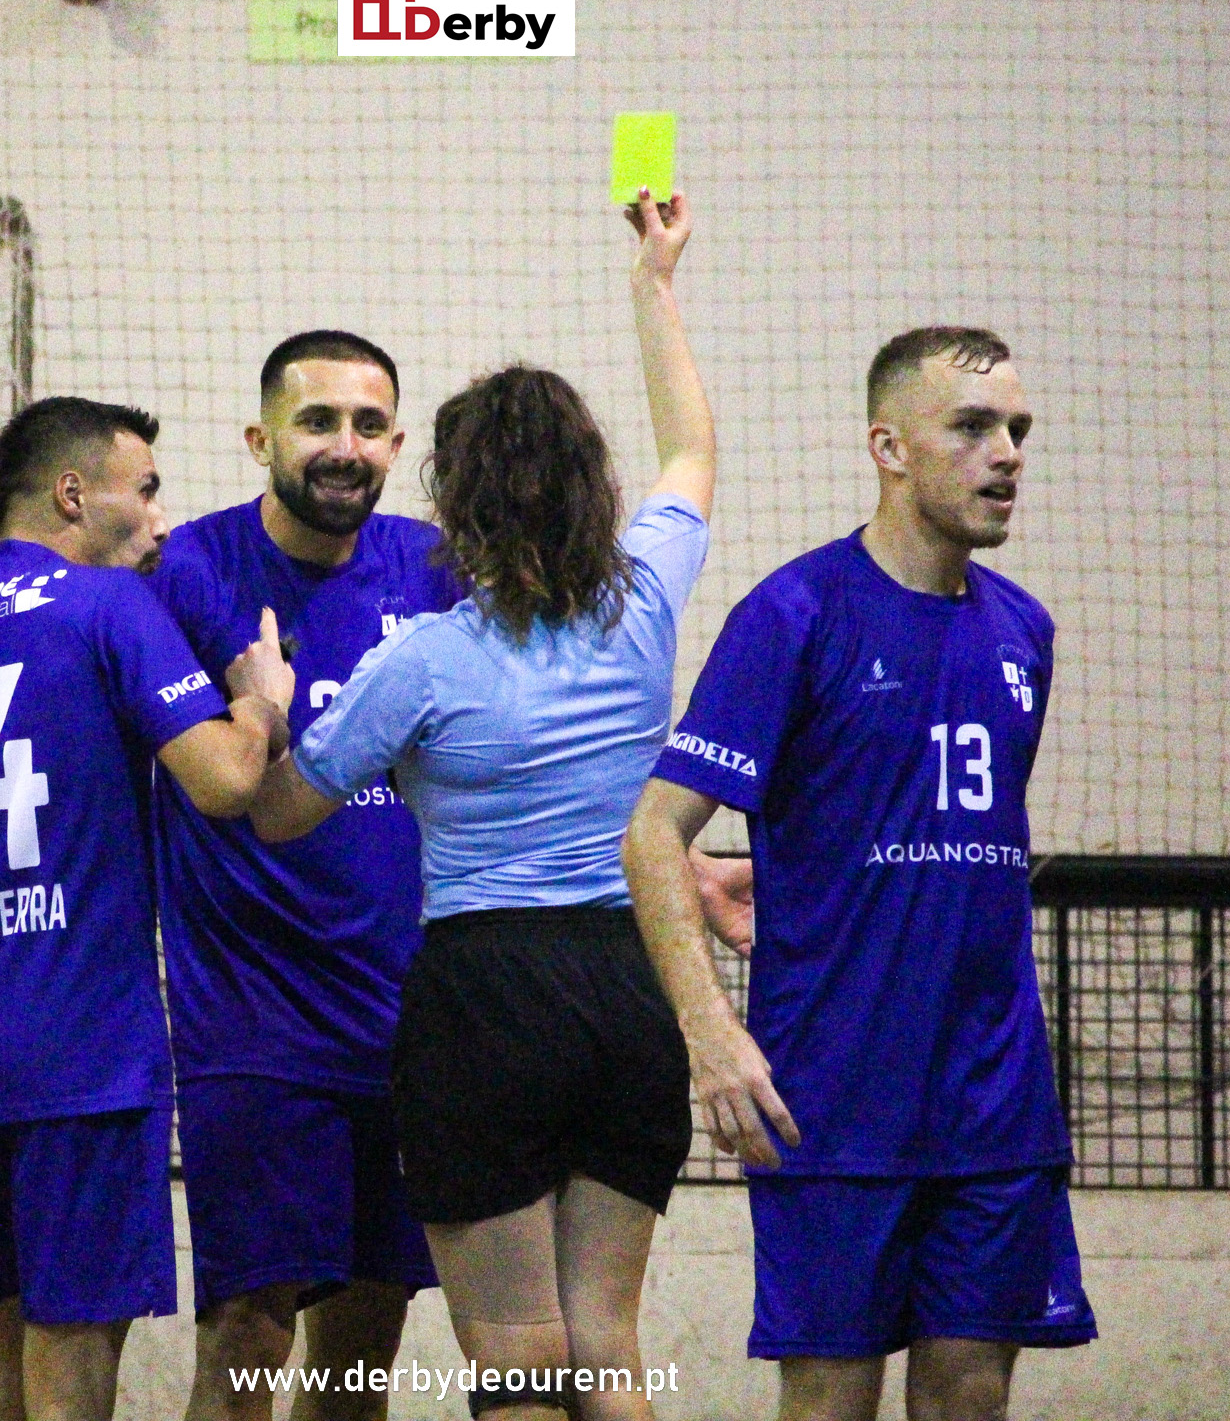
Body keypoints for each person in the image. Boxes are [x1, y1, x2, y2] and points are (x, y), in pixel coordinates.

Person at [247, 189, 712, 1421]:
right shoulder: (643, 604)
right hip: (632, 981)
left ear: (453, 503)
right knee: (606, 1348)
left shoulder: (420, 660)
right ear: (589, 486)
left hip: (482, 991)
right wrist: (651, 286)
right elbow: (693, 452)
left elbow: (281, 811)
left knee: (514, 1361)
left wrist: (279, 707)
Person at [621, 327, 1097, 1421]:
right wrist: (710, 1033)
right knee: (830, 1399)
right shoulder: (794, 615)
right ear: (887, 445)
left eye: (1015, 429)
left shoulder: (1024, 631)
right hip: (832, 1102)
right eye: (971, 427)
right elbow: (652, 832)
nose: (1006, 452)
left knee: (968, 1394)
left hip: (994, 1103)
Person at [0, 396, 296, 1421]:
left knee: (4, 1363)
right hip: (83, 1054)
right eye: (145, 491)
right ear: (74, 493)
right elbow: (224, 780)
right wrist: (260, 697)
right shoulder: (108, 606)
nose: (161, 521)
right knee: (71, 1368)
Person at [148, 332, 462, 1421]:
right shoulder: (189, 566)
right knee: (246, 1333)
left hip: (410, 1023)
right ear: (259, 438)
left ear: (397, 443)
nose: (344, 446)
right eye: (317, 421)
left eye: (368, 425)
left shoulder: (437, 569)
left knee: (362, 1348)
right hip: (253, 1024)